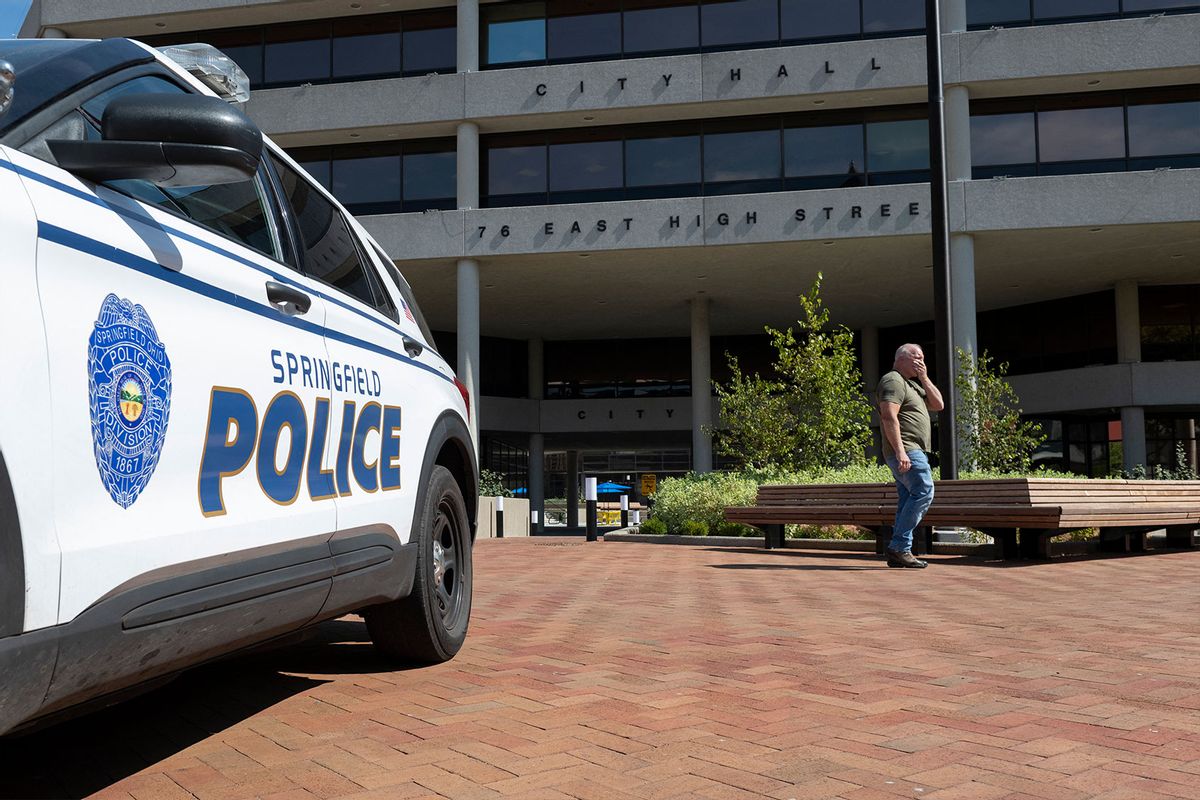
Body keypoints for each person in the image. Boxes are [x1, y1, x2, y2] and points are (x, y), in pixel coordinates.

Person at [877, 344, 945, 568]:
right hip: (907, 450)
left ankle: (899, 551)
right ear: (901, 359)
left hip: (912, 451)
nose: (921, 362)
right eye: (916, 357)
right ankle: (899, 547)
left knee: (909, 498)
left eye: (923, 358)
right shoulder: (893, 380)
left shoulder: (913, 385)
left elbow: (938, 404)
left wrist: (924, 377)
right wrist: (900, 451)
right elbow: (889, 416)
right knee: (924, 491)